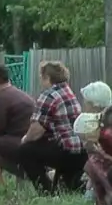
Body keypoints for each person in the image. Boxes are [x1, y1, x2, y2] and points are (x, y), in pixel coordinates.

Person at [17, 61, 86, 193]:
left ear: (47, 78)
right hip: (81, 152)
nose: (41, 82)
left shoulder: (49, 95)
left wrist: (25, 139)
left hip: (66, 151)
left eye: (41, 78)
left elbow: (36, 130)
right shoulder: (68, 92)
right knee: (71, 186)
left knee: (25, 150)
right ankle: (70, 187)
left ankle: (46, 191)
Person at [0, 64, 35, 186]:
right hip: (31, 142)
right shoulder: (23, 95)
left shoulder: (0, 98)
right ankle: (20, 181)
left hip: (18, 143)